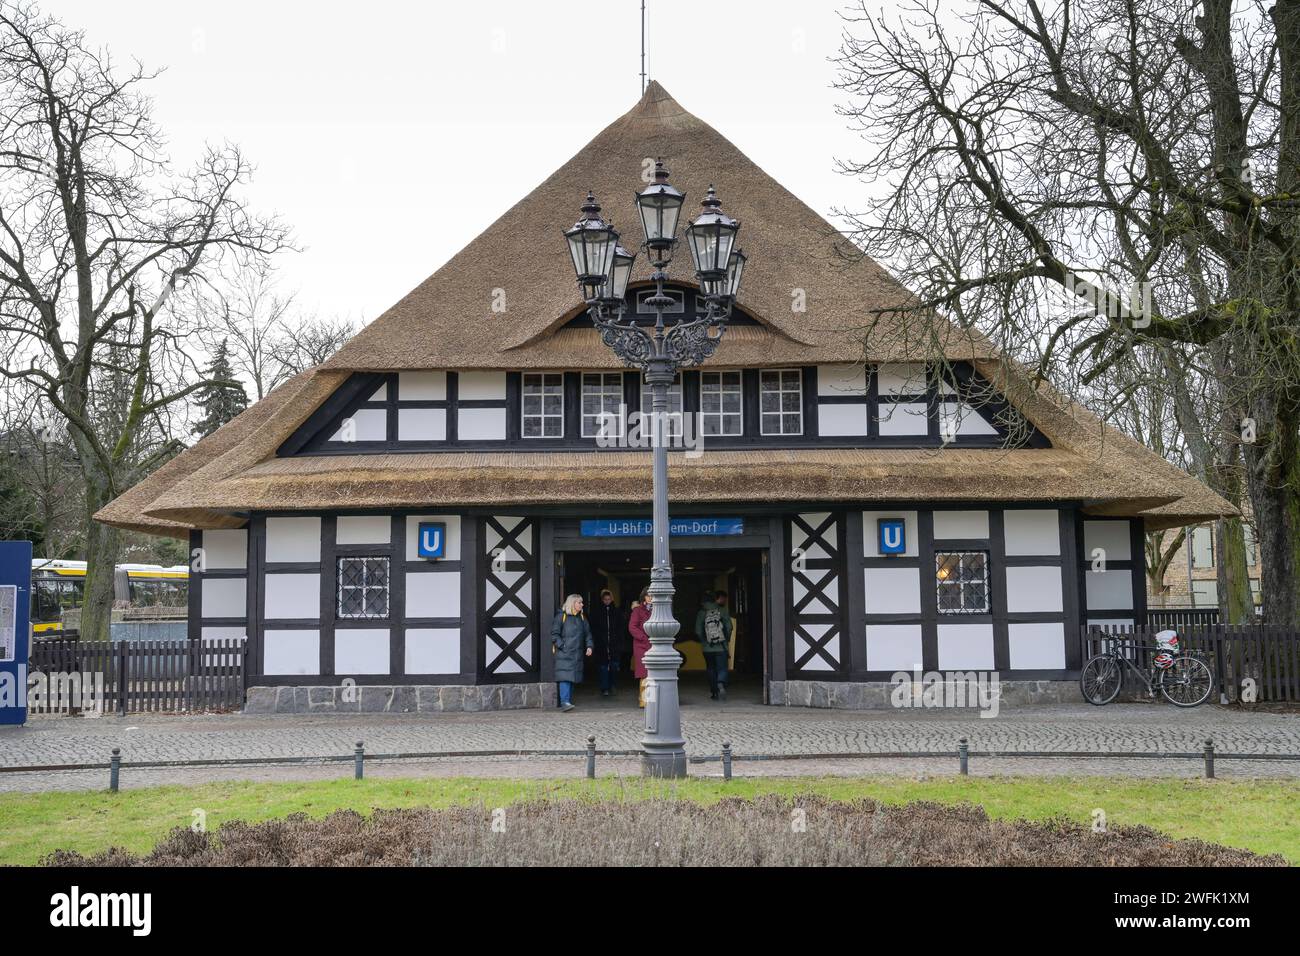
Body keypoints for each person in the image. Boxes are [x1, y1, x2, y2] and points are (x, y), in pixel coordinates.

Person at [550, 593, 593, 712]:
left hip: (576, 653)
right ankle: (565, 702)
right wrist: (563, 646)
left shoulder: (582, 618)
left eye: (582, 602)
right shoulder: (561, 617)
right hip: (564, 653)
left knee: (572, 677)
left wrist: (589, 646)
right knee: (565, 677)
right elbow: (554, 634)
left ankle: (567, 701)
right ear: (572, 603)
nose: (582, 604)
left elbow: (588, 634)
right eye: (579, 602)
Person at [695, 589, 733, 701]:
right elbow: (729, 627)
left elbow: (698, 631)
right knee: (722, 668)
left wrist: (704, 641)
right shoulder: (722, 610)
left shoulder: (702, 613)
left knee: (711, 669)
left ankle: (714, 692)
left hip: (707, 648)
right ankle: (721, 683)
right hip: (721, 646)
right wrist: (726, 640)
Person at [589, 588, 627, 696]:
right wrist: (597, 640)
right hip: (602, 644)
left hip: (614, 644)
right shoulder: (597, 612)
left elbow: (621, 628)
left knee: (614, 666)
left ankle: (613, 685)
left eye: (609, 599)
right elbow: (594, 628)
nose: (607, 601)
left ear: (612, 599)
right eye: (605, 599)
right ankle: (604, 687)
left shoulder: (617, 612)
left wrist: (619, 641)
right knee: (603, 667)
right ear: (602, 600)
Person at [628, 587, 652, 709]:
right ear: (644, 597)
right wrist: (643, 637)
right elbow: (632, 627)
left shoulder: (659, 609)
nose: (651, 598)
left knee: (655, 674)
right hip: (642, 645)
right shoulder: (637, 611)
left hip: (655, 646)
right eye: (648, 595)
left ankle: (654, 698)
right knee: (644, 674)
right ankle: (643, 699)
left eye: (652, 595)